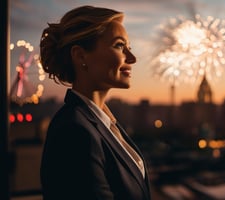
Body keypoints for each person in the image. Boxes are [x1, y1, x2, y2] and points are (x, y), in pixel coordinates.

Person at [39, 5, 151, 200]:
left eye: (129, 48)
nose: (132, 59)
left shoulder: (103, 123)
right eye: (119, 45)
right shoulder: (73, 130)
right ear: (81, 56)